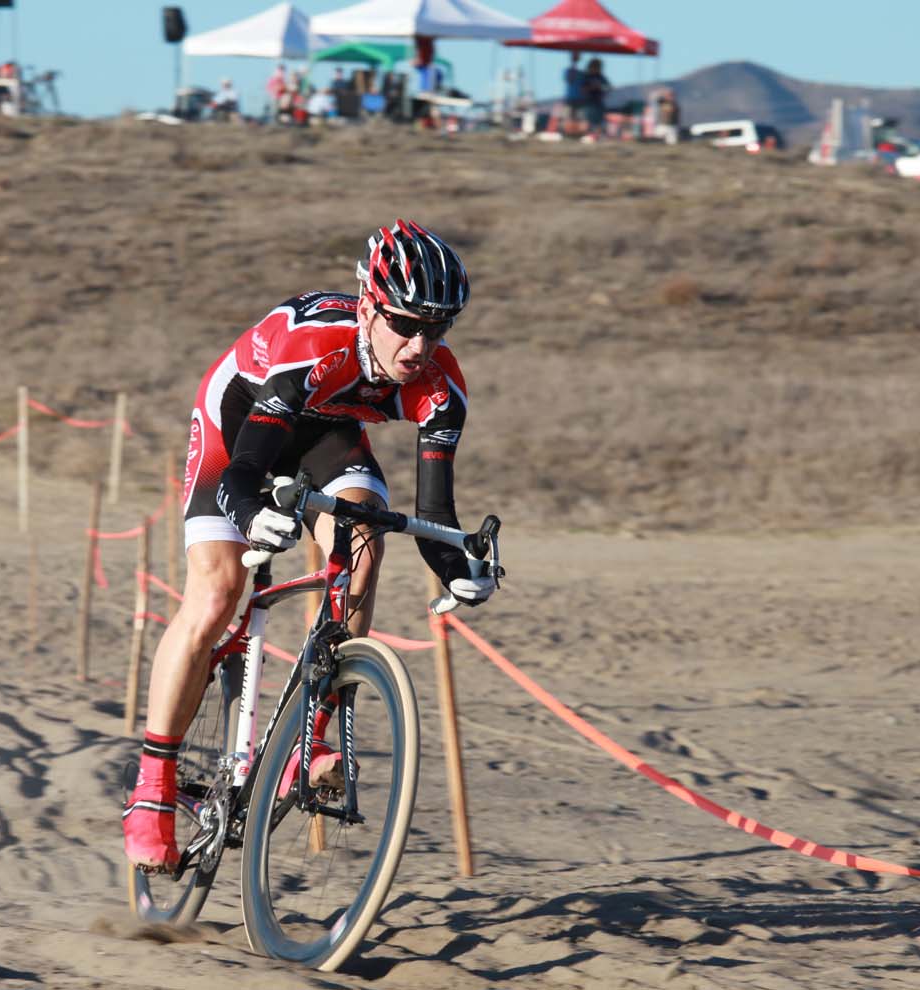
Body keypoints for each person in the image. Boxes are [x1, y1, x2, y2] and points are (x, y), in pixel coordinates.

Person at [122, 220, 495, 871]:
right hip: (239, 422)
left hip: (329, 429)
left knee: (364, 537)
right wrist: (252, 512)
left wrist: (460, 566)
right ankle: (151, 791)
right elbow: (244, 471)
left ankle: (309, 739)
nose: (419, 345)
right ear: (370, 305)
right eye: (405, 323)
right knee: (216, 593)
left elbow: (435, 514)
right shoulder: (313, 345)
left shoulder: (441, 386)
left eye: (436, 329)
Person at [581, 57, 611, 138]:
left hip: (598, 101)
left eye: (598, 66)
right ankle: (588, 135)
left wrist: (601, 88)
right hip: (589, 102)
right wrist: (592, 87)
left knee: (599, 120)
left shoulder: (601, 77)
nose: (597, 68)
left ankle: (597, 136)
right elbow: (583, 89)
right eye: (596, 66)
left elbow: (609, 87)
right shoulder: (587, 76)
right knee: (589, 120)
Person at [562, 51, 584, 129]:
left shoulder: (582, 73)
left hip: (580, 99)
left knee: (579, 117)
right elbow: (569, 79)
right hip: (570, 98)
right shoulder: (568, 71)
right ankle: (568, 131)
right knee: (568, 116)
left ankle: (577, 132)